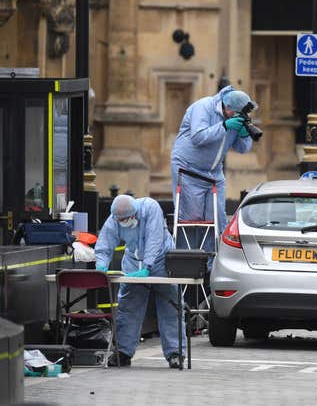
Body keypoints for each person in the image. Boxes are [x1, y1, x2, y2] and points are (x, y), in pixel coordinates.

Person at [95, 194, 185, 368]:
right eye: (120, 219)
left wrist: (147, 266)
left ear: (134, 214)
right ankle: (123, 352)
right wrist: (101, 266)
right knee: (128, 306)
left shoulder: (151, 208)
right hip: (133, 261)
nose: (123, 222)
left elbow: (155, 239)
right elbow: (105, 242)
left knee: (170, 305)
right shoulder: (115, 218)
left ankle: (175, 353)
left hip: (161, 260)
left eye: (126, 218)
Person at [170, 86, 257, 255]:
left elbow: (242, 149)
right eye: (237, 113)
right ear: (228, 108)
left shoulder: (234, 116)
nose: (240, 117)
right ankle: (188, 262)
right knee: (191, 219)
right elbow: (198, 137)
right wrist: (224, 126)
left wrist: (244, 134)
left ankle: (211, 265)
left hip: (214, 174)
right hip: (188, 170)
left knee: (217, 219)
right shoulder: (203, 107)